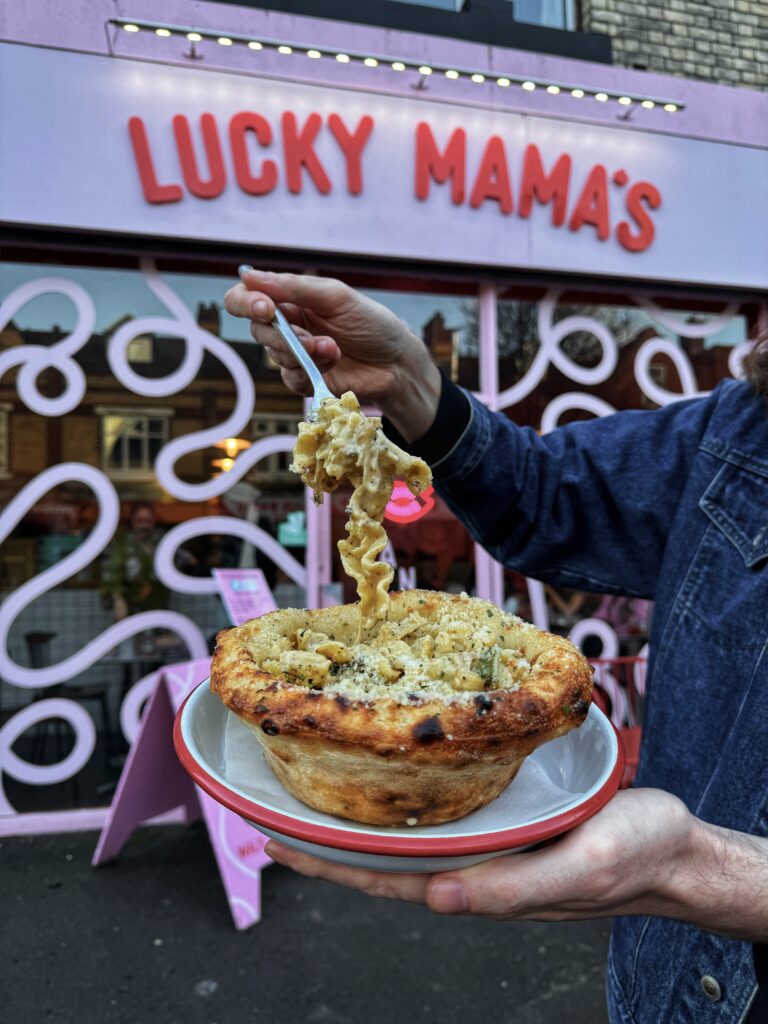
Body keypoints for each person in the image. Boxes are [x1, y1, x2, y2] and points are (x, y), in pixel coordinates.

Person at [224, 268, 768, 1024]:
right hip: (662, 985)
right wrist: (410, 380)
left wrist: (705, 872)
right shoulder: (744, 428)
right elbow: (547, 492)